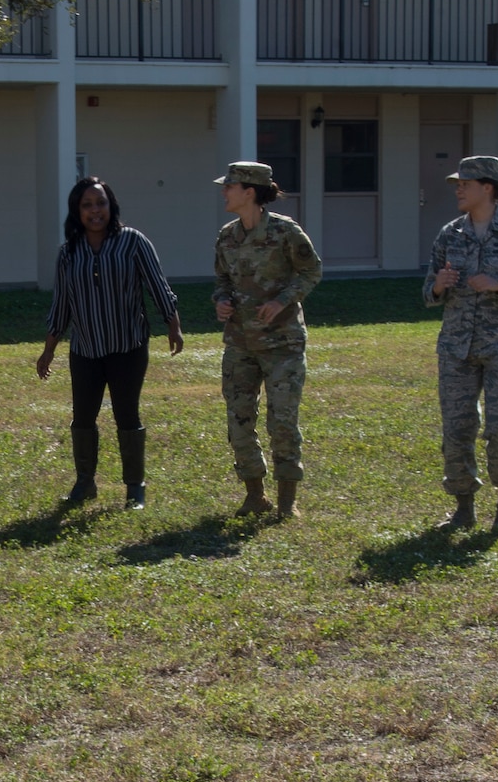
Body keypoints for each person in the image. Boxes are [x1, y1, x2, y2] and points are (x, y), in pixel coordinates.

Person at [36, 177, 182, 510]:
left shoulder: (133, 242)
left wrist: (173, 326)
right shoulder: (68, 254)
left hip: (128, 346)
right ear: (77, 211)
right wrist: (49, 349)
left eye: (100, 203)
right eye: (87, 205)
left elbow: (158, 286)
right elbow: (61, 306)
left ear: (111, 206)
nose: (95, 211)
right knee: (82, 417)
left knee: (126, 414)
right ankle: (85, 483)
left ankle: (135, 487)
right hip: (85, 349)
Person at [422, 155, 498, 531]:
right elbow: (428, 293)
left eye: (466, 183)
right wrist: (439, 285)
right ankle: (463, 507)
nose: (458, 190)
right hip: (457, 347)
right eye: (457, 184)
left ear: (488, 188)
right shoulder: (449, 234)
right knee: (457, 428)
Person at [213, 161, 321, 519]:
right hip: (240, 343)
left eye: (229, 187)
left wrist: (282, 301)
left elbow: (311, 271)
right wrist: (222, 302)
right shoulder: (227, 236)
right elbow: (221, 282)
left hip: (283, 344)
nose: (224, 192)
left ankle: (287, 501)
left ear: (249, 193)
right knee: (238, 421)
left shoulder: (285, 232)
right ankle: (255, 495)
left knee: (282, 421)